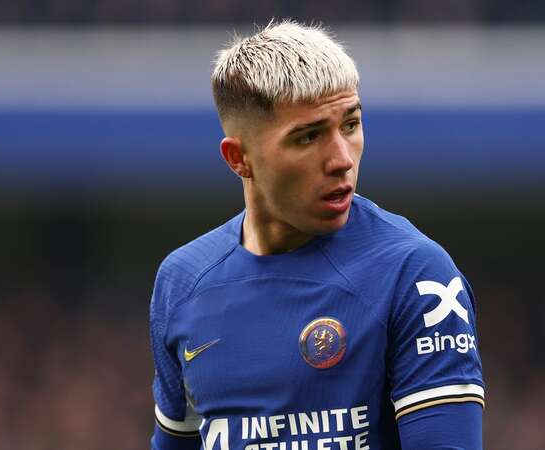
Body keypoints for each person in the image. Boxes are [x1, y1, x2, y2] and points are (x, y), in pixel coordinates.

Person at [149, 20, 484, 450]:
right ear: (239, 159)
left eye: (350, 124)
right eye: (308, 137)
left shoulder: (415, 274)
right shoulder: (182, 282)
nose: (341, 160)